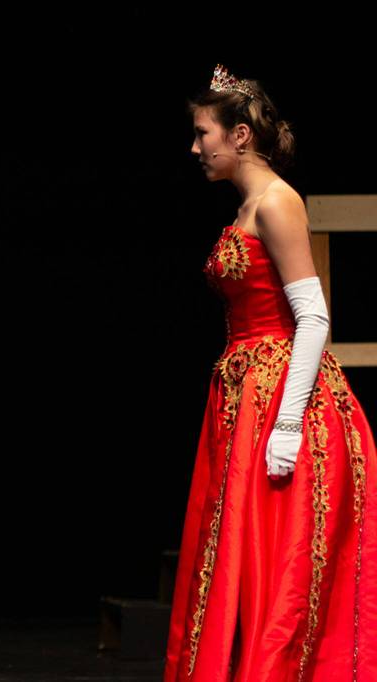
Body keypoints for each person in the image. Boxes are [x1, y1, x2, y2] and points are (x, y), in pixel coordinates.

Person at [163, 64, 377, 681]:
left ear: (239, 136)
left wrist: (286, 423)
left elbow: (312, 317)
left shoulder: (278, 201)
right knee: (241, 556)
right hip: (242, 394)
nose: (195, 147)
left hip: (283, 397)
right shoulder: (249, 205)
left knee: (281, 563)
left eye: (203, 132)